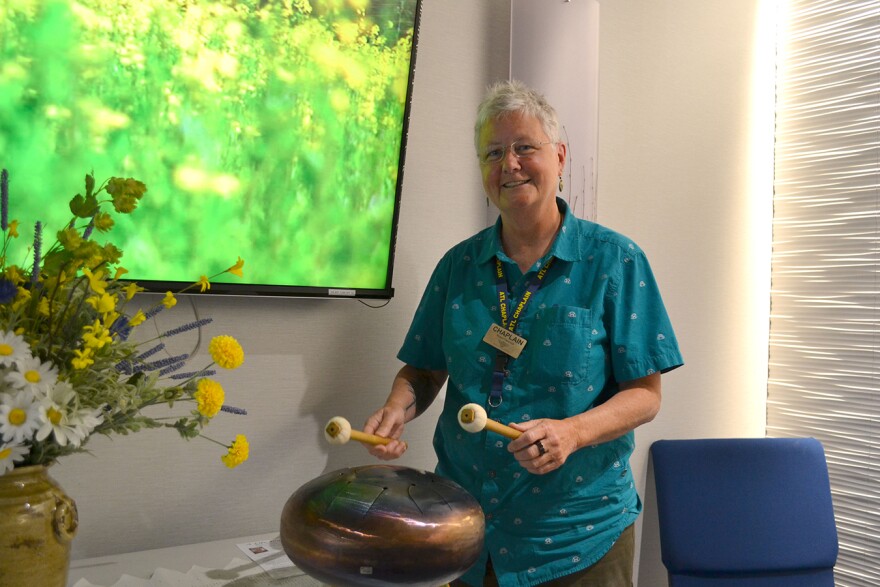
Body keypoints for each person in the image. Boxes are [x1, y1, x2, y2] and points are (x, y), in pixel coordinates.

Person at [363, 79, 683, 587]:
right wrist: (396, 410)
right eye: (492, 153)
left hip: (579, 541)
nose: (508, 164)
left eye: (524, 148)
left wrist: (572, 432)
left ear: (559, 157)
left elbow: (645, 395)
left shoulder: (615, 261)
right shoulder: (458, 266)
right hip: (467, 534)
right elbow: (424, 368)